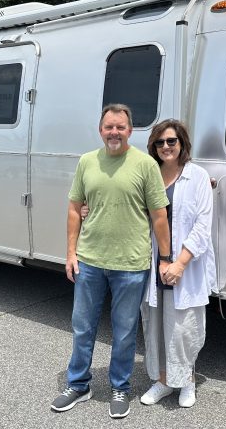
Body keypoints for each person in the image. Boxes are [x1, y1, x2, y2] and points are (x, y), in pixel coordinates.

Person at [50, 104, 172, 419]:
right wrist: (71, 253)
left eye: (120, 127)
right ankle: (78, 385)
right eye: (109, 127)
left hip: (131, 264)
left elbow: (159, 216)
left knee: (125, 331)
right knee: (82, 327)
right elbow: (75, 209)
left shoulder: (145, 165)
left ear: (130, 130)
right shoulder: (87, 162)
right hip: (90, 261)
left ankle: (120, 387)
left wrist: (165, 258)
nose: (114, 132)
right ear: (100, 130)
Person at [138, 119, 215, 408]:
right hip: (154, 263)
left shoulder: (197, 176)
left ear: (182, 143)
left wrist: (180, 263)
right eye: (160, 142)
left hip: (185, 264)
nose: (166, 146)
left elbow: (202, 225)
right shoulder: (149, 174)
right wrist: (87, 208)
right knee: (156, 325)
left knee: (184, 328)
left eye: (172, 141)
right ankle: (163, 381)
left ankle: (186, 381)